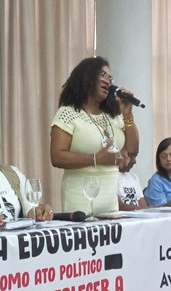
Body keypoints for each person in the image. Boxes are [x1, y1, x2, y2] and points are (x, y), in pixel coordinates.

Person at [50, 56, 139, 215]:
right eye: (102, 75)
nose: (107, 81)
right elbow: (57, 157)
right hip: (80, 200)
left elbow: (132, 150)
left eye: (110, 78)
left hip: (110, 202)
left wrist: (128, 115)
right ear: (86, 76)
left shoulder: (113, 116)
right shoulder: (68, 113)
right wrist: (95, 159)